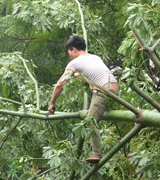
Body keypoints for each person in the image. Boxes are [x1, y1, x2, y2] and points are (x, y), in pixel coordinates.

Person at [48, 35, 119, 163]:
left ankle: (96, 154)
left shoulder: (74, 62)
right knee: (92, 98)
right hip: (114, 91)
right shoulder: (95, 57)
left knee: (90, 121)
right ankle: (93, 110)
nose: (69, 55)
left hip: (104, 92)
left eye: (69, 52)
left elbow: (60, 84)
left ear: (74, 49)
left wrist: (52, 103)